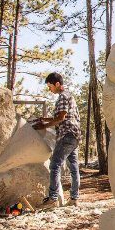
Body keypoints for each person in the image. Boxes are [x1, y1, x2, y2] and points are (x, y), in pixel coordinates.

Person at [33, 72, 81, 208]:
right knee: (73, 167)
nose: (50, 89)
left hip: (67, 134)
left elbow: (61, 118)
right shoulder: (69, 95)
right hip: (75, 136)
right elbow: (63, 116)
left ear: (57, 84)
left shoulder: (62, 97)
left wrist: (44, 125)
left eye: (50, 86)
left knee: (54, 165)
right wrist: (45, 119)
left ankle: (52, 199)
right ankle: (74, 199)